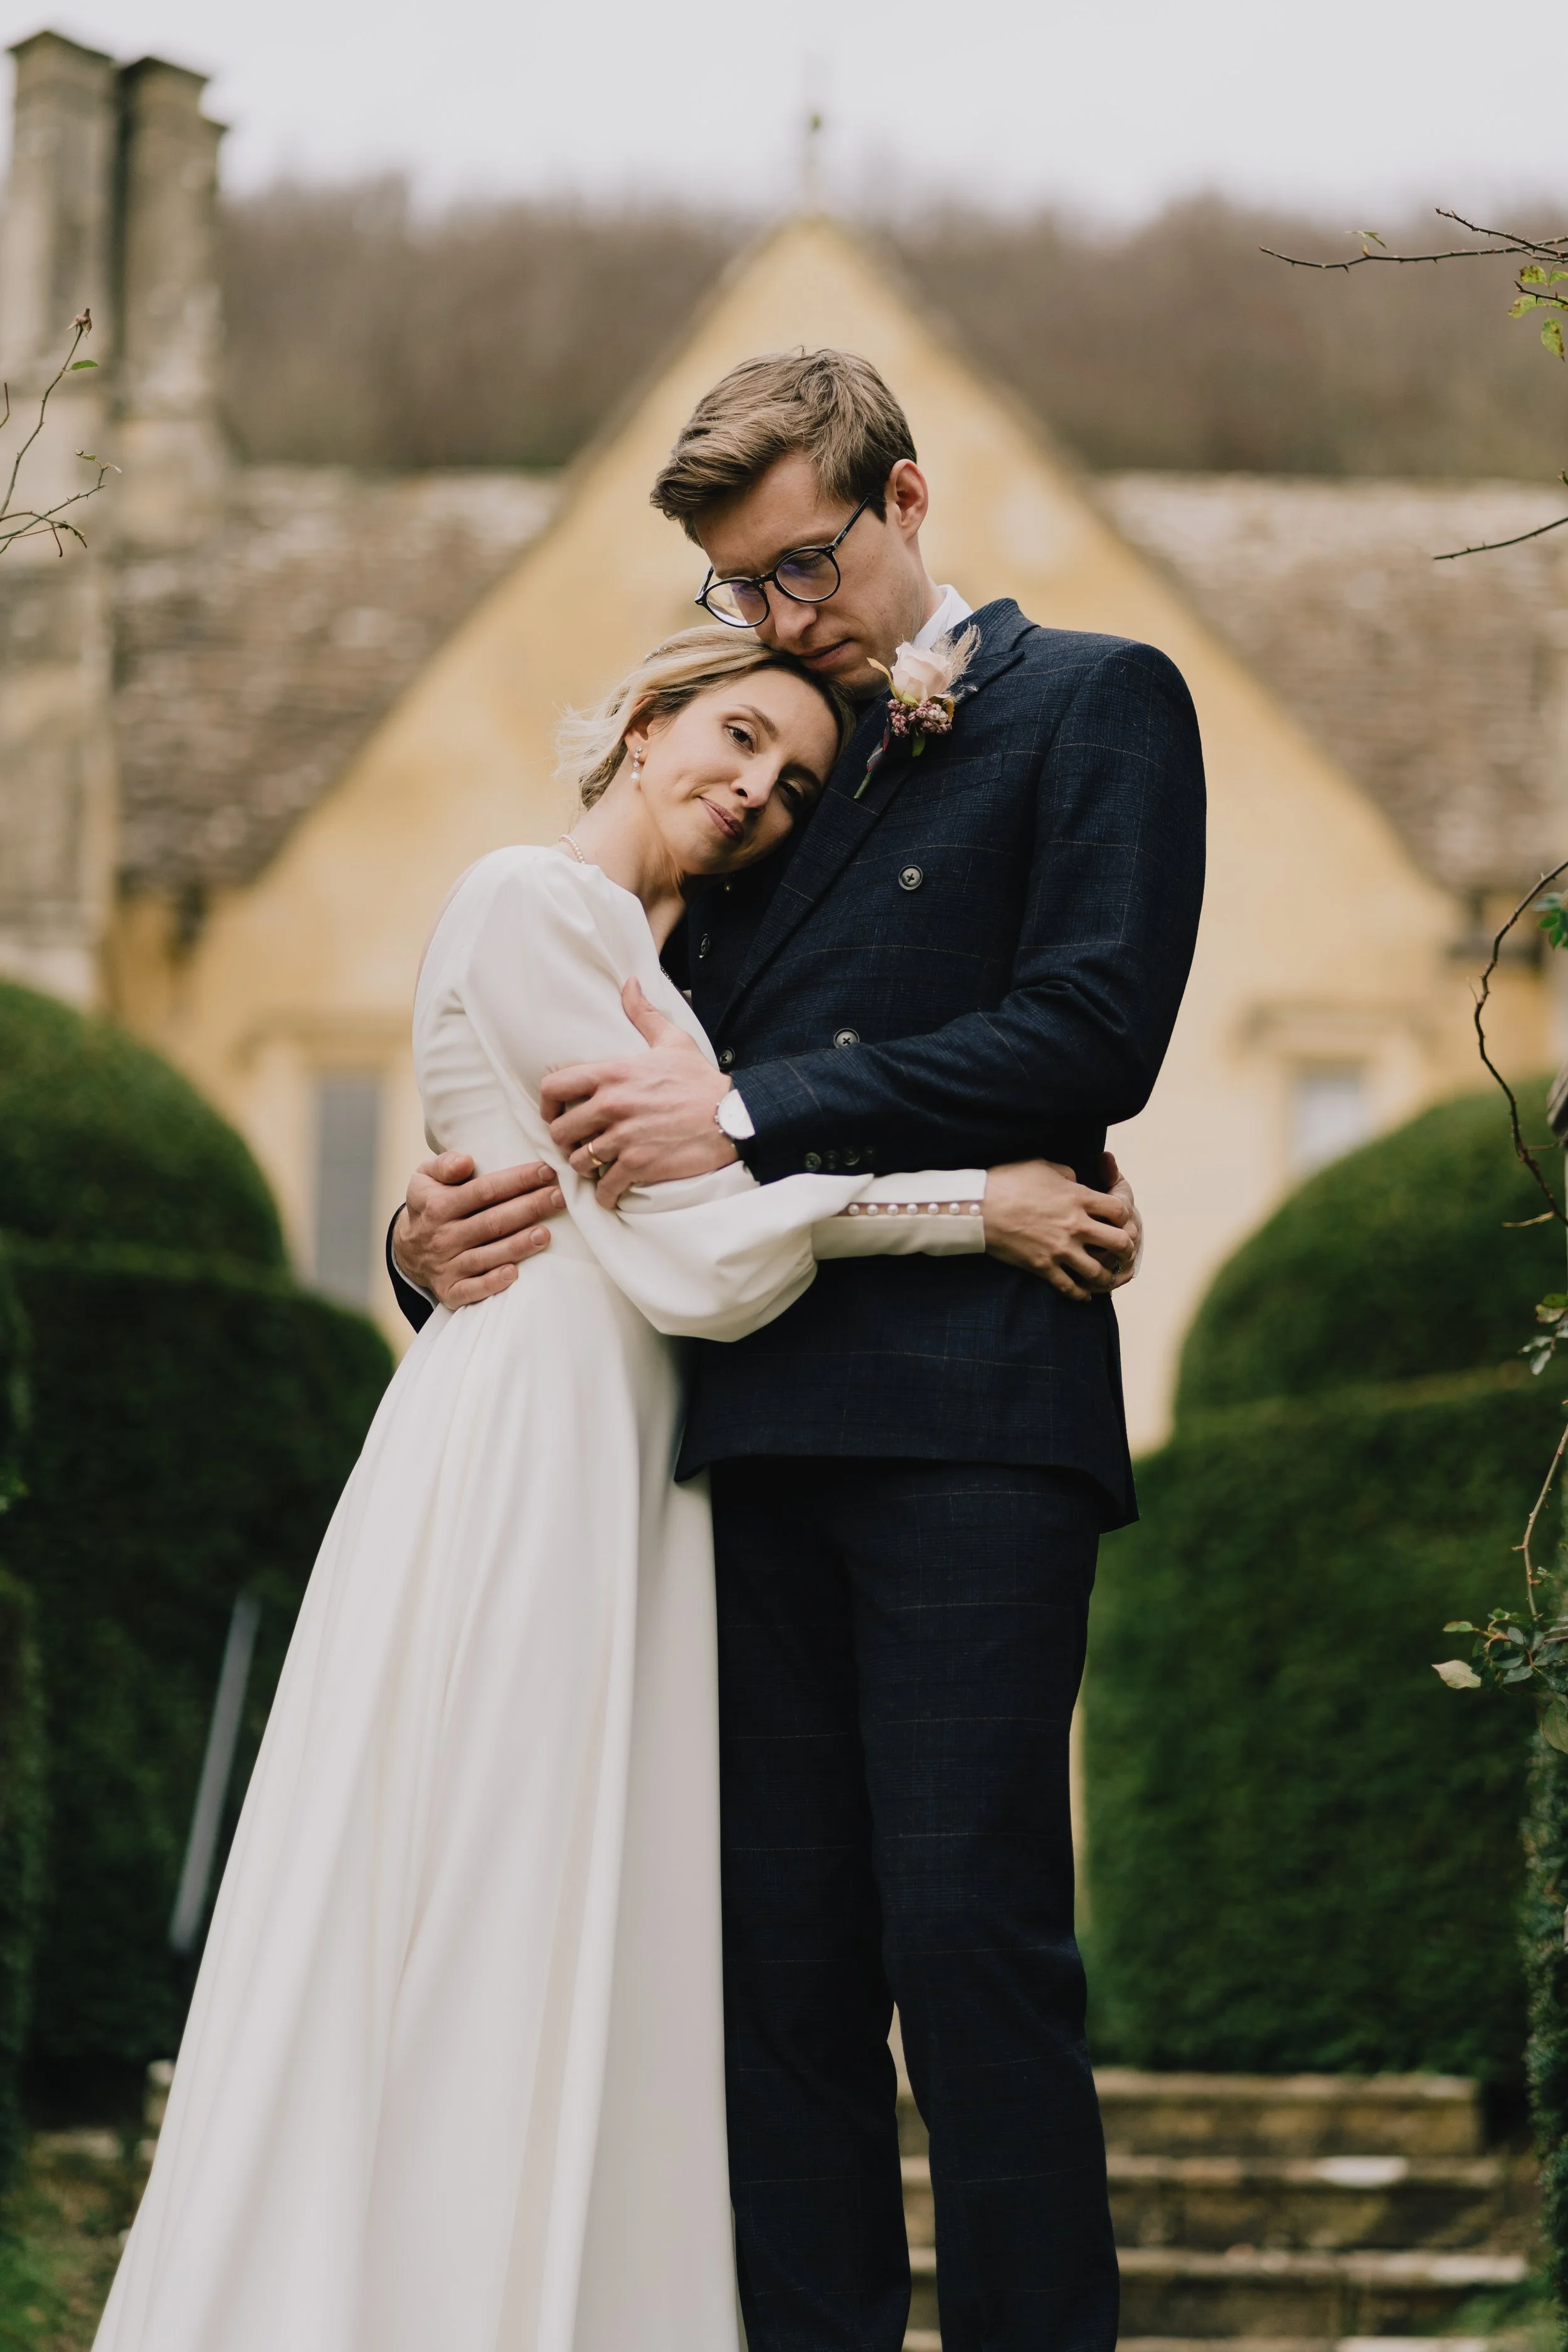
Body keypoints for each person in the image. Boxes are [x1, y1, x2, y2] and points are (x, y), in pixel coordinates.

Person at [92, 627, 1115, 2352]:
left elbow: (685, 1184)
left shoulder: (668, 963)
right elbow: (696, 1252)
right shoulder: (529, 900)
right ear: (643, 727)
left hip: (638, 1445)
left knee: (602, 1897)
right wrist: (980, 1204)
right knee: (490, 1865)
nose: (754, 793)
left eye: (793, 784)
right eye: (732, 738)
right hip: (537, 1438)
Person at [391, 349, 1206, 2352]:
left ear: (907, 498)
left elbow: (1091, 1031)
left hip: (967, 1426)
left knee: (969, 1939)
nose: (781, 619)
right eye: (742, 590)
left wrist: (757, 1110)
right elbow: (569, 1068)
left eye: (803, 564)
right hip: (725, 1438)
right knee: (775, 1975)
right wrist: (430, 1239)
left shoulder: (1095, 701)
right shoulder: (758, 772)